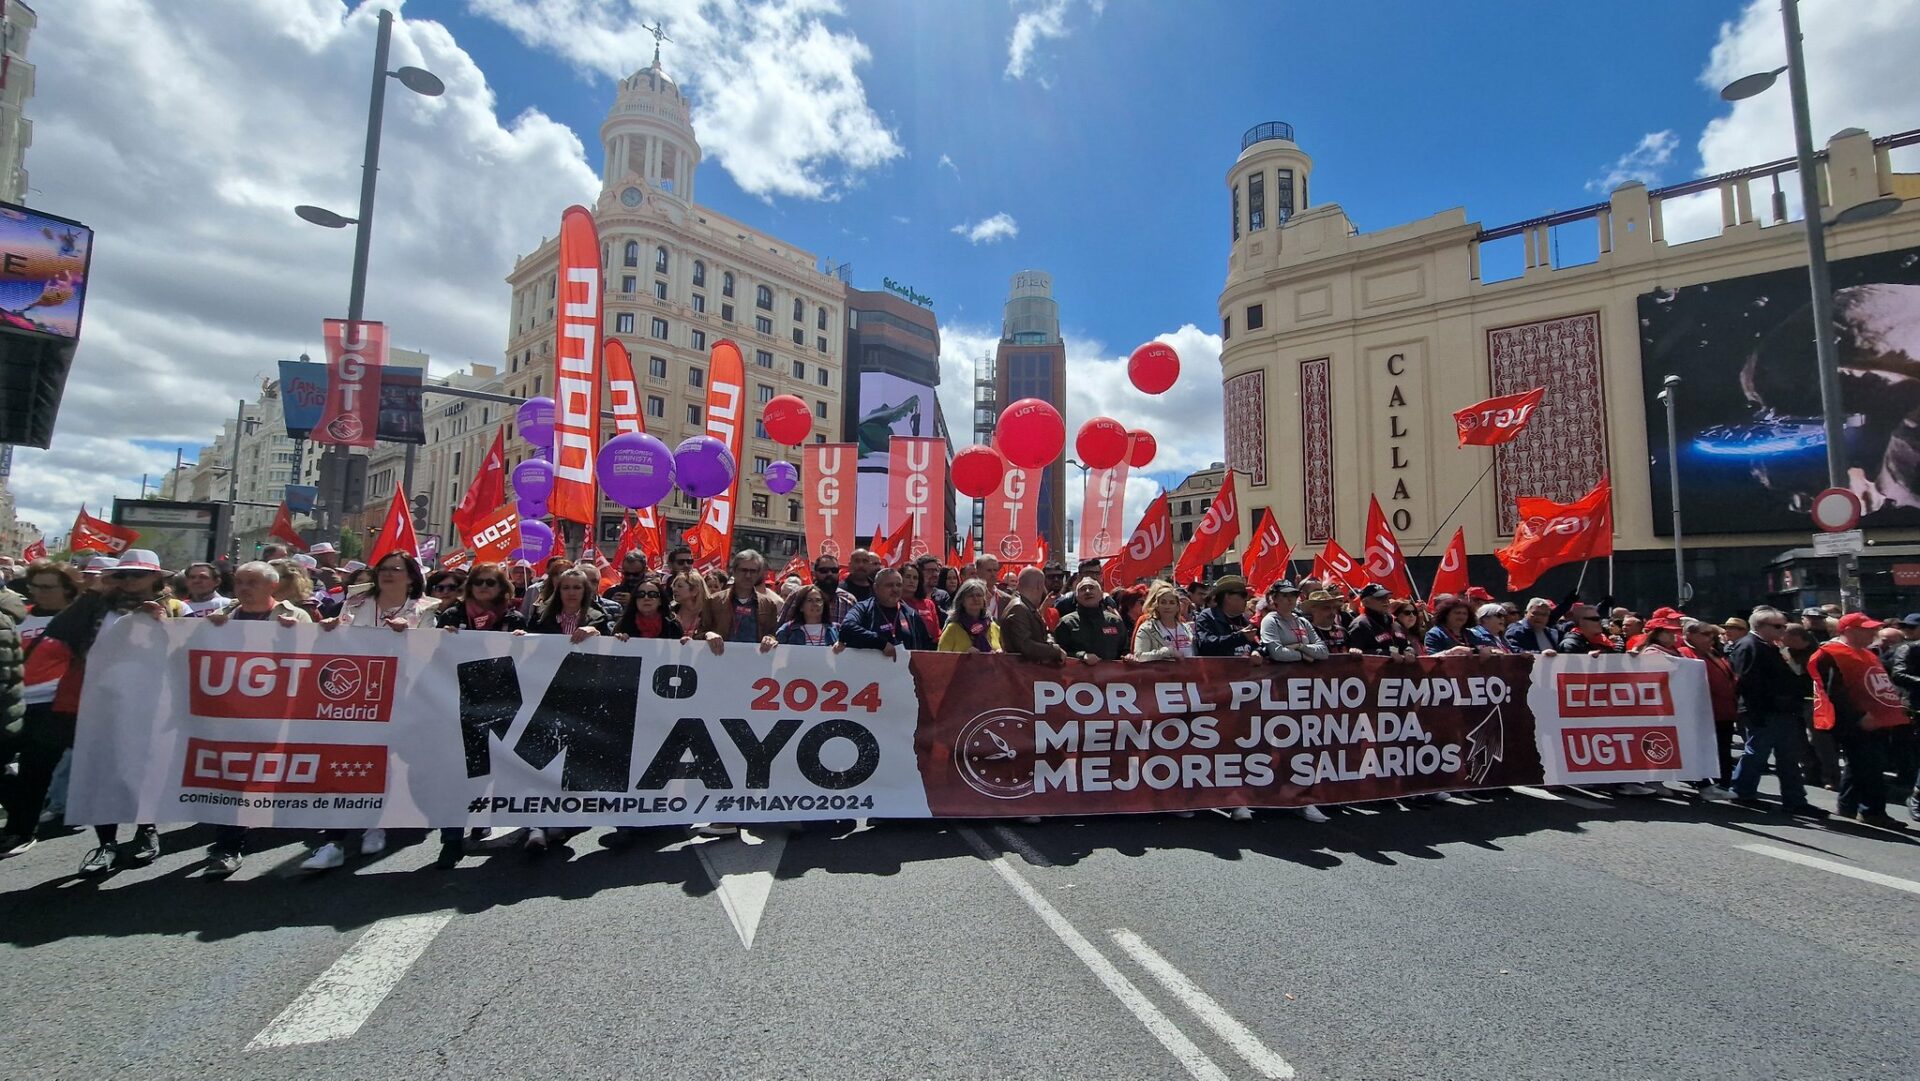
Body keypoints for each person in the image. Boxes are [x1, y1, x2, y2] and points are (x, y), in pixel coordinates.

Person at [35, 550, 175, 874]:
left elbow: (189, 650)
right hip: (100, 700)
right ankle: (105, 843)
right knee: (100, 771)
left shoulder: (174, 607)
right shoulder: (99, 606)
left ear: (156, 578)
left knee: (143, 770)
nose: (128, 581)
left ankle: (146, 831)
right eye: (122, 574)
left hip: (150, 702)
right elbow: (59, 630)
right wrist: (93, 592)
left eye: (136, 575)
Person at [1809, 613, 1909, 828]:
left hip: (1875, 717)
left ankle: (1848, 805)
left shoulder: (1865, 653)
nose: (1873, 633)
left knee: (1860, 765)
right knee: (1870, 765)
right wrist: (1858, 719)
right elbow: (1832, 692)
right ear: (1850, 631)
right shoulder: (1831, 654)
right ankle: (1872, 811)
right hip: (1857, 720)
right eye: (1867, 629)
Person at [1728, 607, 1828, 819]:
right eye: (1777, 626)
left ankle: (1795, 800)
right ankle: (1742, 792)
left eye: (1783, 625)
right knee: (1757, 753)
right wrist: (1755, 711)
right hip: (1766, 710)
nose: (1783, 630)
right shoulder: (1749, 646)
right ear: (1761, 626)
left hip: (1784, 710)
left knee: (1789, 757)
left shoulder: (1772, 646)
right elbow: (1747, 682)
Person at [1680, 618, 1738, 798]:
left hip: (1724, 709)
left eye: (1712, 634)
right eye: (1705, 634)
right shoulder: (1684, 653)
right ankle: (1706, 783)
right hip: (1704, 711)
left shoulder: (1713, 652)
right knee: (1707, 748)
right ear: (1689, 635)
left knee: (1723, 748)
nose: (1710, 638)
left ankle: (1722, 784)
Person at [839, 568, 935, 658]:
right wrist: (881, 643)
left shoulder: (912, 615)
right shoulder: (863, 608)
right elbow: (847, 628)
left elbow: (926, 647)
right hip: (870, 671)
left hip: (904, 673)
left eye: (899, 585)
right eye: (889, 585)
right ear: (876, 588)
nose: (895, 589)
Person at [331, 551, 437, 631]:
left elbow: (427, 649)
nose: (387, 574)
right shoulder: (354, 603)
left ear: (411, 577)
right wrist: (328, 628)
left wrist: (407, 632)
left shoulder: (424, 610)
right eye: (383, 569)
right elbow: (339, 642)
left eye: (395, 570)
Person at [699, 549, 781, 652]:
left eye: (753, 571)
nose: (748, 575)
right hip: (720, 661)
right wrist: (708, 634)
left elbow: (773, 634)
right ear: (734, 571)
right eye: (744, 570)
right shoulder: (714, 601)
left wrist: (770, 639)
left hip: (754, 662)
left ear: (758, 574)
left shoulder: (768, 604)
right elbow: (699, 633)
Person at [997, 568, 1067, 664]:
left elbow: (1043, 633)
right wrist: (1055, 650)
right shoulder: (1019, 608)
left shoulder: (1025, 606)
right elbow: (1025, 645)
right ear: (1039, 586)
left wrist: (1050, 642)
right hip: (1020, 673)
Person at [1053, 575, 1128, 664]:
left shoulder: (1114, 621)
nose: (1087, 592)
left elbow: (1125, 650)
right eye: (1083, 589)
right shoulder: (1067, 622)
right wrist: (1082, 656)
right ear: (1076, 597)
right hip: (1078, 676)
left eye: (1092, 588)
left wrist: (1128, 657)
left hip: (1110, 676)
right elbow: (1058, 654)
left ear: (1101, 595)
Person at [1194, 576, 1263, 658]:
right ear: (1227, 596)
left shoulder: (1244, 620)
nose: (1246, 599)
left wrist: (1256, 651)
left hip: (1243, 670)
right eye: (1243, 595)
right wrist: (1240, 637)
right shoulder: (1208, 617)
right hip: (1218, 669)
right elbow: (1205, 645)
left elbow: (1257, 644)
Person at [1259, 581, 1327, 664]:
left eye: (1293, 595)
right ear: (1274, 598)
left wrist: (1300, 646)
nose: (1290, 599)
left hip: (1307, 675)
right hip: (1281, 675)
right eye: (1285, 595)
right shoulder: (1270, 621)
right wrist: (1302, 656)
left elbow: (1323, 652)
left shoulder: (1303, 621)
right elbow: (1276, 653)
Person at [1347, 584, 1414, 658]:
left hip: (1400, 669)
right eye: (1379, 598)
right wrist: (1386, 655)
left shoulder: (1394, 622)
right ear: (1365, 602)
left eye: (1386, 598)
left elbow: (1405, 645)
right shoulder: (1360, 624)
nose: (1385, 601)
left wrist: (1409, 651)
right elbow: (1356, 654)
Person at [937, 578, 1001, 653]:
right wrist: (964, 656)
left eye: (979, 595)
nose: (975, 599)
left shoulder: (993, 627)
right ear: (962, 601)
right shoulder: (952, 628)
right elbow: (940, 660)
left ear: (984, 600)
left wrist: (1000, 654)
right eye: (970, 596)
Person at [613, 574, 681, 641]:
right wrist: (618, 640)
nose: (646, 598)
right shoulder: (623, 624)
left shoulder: (672, 625)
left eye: (652, 594)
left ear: (660, 601)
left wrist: (686, 643)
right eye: (641, 594)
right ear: (635, 600)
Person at [770, 585, 839, 647]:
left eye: (818, 600)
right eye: (810, 600)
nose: (815, 604)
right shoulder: (788, 629)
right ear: (801, 607)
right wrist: (770, 641)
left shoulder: (836, 629)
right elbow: (775, 647)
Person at [809, 554, 859, 623]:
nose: (830, 574)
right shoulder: (800, 596)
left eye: (834, 570)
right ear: (814, 574)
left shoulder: (849, 600)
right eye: (824, 570)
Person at [1556, 604, 1620, 655]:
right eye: (1595, 619)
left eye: (1599, 619)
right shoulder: (1570, 644)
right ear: (1581, 622)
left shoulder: (1603, 641)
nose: (1600, 622)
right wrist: (1586, 658)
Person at [900, 562, 941, 640]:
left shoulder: (928, 604)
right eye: (908, 577)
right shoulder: (894, 603)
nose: (912, 581)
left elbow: (936, 634)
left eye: (915, 578)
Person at [670, 571, 713, 638]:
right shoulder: (670, 613)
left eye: (680, 586)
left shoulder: (710, 614)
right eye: (674, 586)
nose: (674, 589)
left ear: (694, 590)